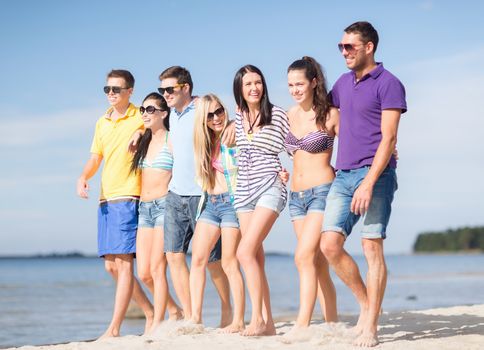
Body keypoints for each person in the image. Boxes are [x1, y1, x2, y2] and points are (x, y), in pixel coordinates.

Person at [320, 21, 407, 347]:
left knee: (371, 247)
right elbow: (326, 114)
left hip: (376, 175)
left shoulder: (389, 83)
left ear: (368, 47)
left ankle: (369, 325)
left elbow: (389, 137)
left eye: (349, 46)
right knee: (329, 245)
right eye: (341, 47)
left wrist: (369, 183)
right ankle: (367, 304)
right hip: (343, 175)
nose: (344, 52)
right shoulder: (343, 83)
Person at [76, 69, 154, 338]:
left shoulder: (140, 114)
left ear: (129, 91)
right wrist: (83, 177)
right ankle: (151, 311)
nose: (111, 94)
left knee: (123, 265)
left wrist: (141, 132)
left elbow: (157, 123)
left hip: (129, 195)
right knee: (111, 267)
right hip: (106, 199)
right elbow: (96, 157)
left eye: (116, 89)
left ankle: (114, 328)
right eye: (107, 89)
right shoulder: (102, 122)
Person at [157, 66, 232, 325]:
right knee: (173, 255)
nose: (165, 94)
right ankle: (192, 317)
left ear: (185, 87)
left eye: (170, 89)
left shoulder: (201, 108)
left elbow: (223, 120)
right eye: (162, 90)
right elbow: (148, 117)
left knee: (213, 262)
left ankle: (227, 310)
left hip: (203, 195)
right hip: (175, 194)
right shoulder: (172, 115)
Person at [283, 56, 338, 339]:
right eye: (291, 84)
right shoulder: (288, 115)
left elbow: (355, 142)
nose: (294, 89)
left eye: (299, 83)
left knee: (303, 256)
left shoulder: (330, 114)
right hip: (296, 196)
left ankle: (302, 325)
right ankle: (332, 324)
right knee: (316, 263)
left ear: (313, 82)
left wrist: (389, 152)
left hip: (322, 192)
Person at [233, 65, 289, 336]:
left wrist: (292, 171)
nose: (254, 88)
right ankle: (269, 324)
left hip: (270, 186)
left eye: (258, 82)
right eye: (248, 84)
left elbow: (295, 144)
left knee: (243, 252)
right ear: (240, 90)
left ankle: (256, 320)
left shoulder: (277, 114)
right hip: (244, 191)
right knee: (255, 256)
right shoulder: (238, 115)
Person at [189, 94, 245, 333]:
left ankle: (239, 320)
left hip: (233, 204)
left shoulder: (235, 134)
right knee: (198, 260)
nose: (216, 118)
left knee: (230, 262)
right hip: (211, 203)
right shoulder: (205, 142)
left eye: (219, 111)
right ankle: (195, 318)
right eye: (209, 115)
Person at [130, 92, 182, 333]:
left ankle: (157, 324)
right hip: (144, 209)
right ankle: (174, 310)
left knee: (157, 269)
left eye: (150, 110)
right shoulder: (142, 141)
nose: (145, 114)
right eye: (143, 110)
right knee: (143, 273)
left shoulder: (172, 140)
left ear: (164, 113)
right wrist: (138, 131)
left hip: (164, 205)